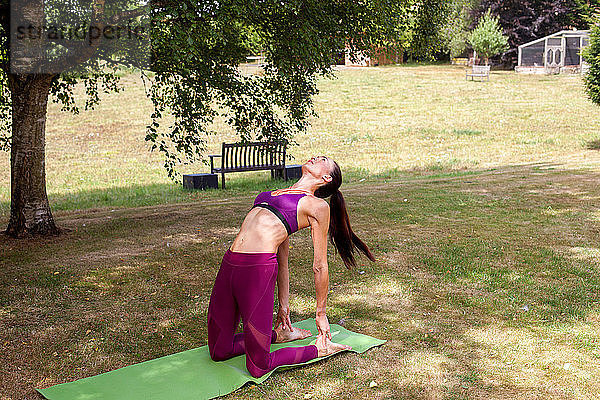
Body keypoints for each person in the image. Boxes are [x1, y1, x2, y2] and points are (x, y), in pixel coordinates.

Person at [207, 155, 376, 378]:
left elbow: (320, 266)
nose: (316, 157)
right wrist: (283, 308)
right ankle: (280, 335)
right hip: (229, 265)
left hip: (256, 271)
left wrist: (321, 313)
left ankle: (318, 349)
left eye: (323, 159)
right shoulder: (267, 195)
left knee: (258, 367)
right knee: (219, 350)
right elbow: (283, 260)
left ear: (326, 177)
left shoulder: (316, 206)